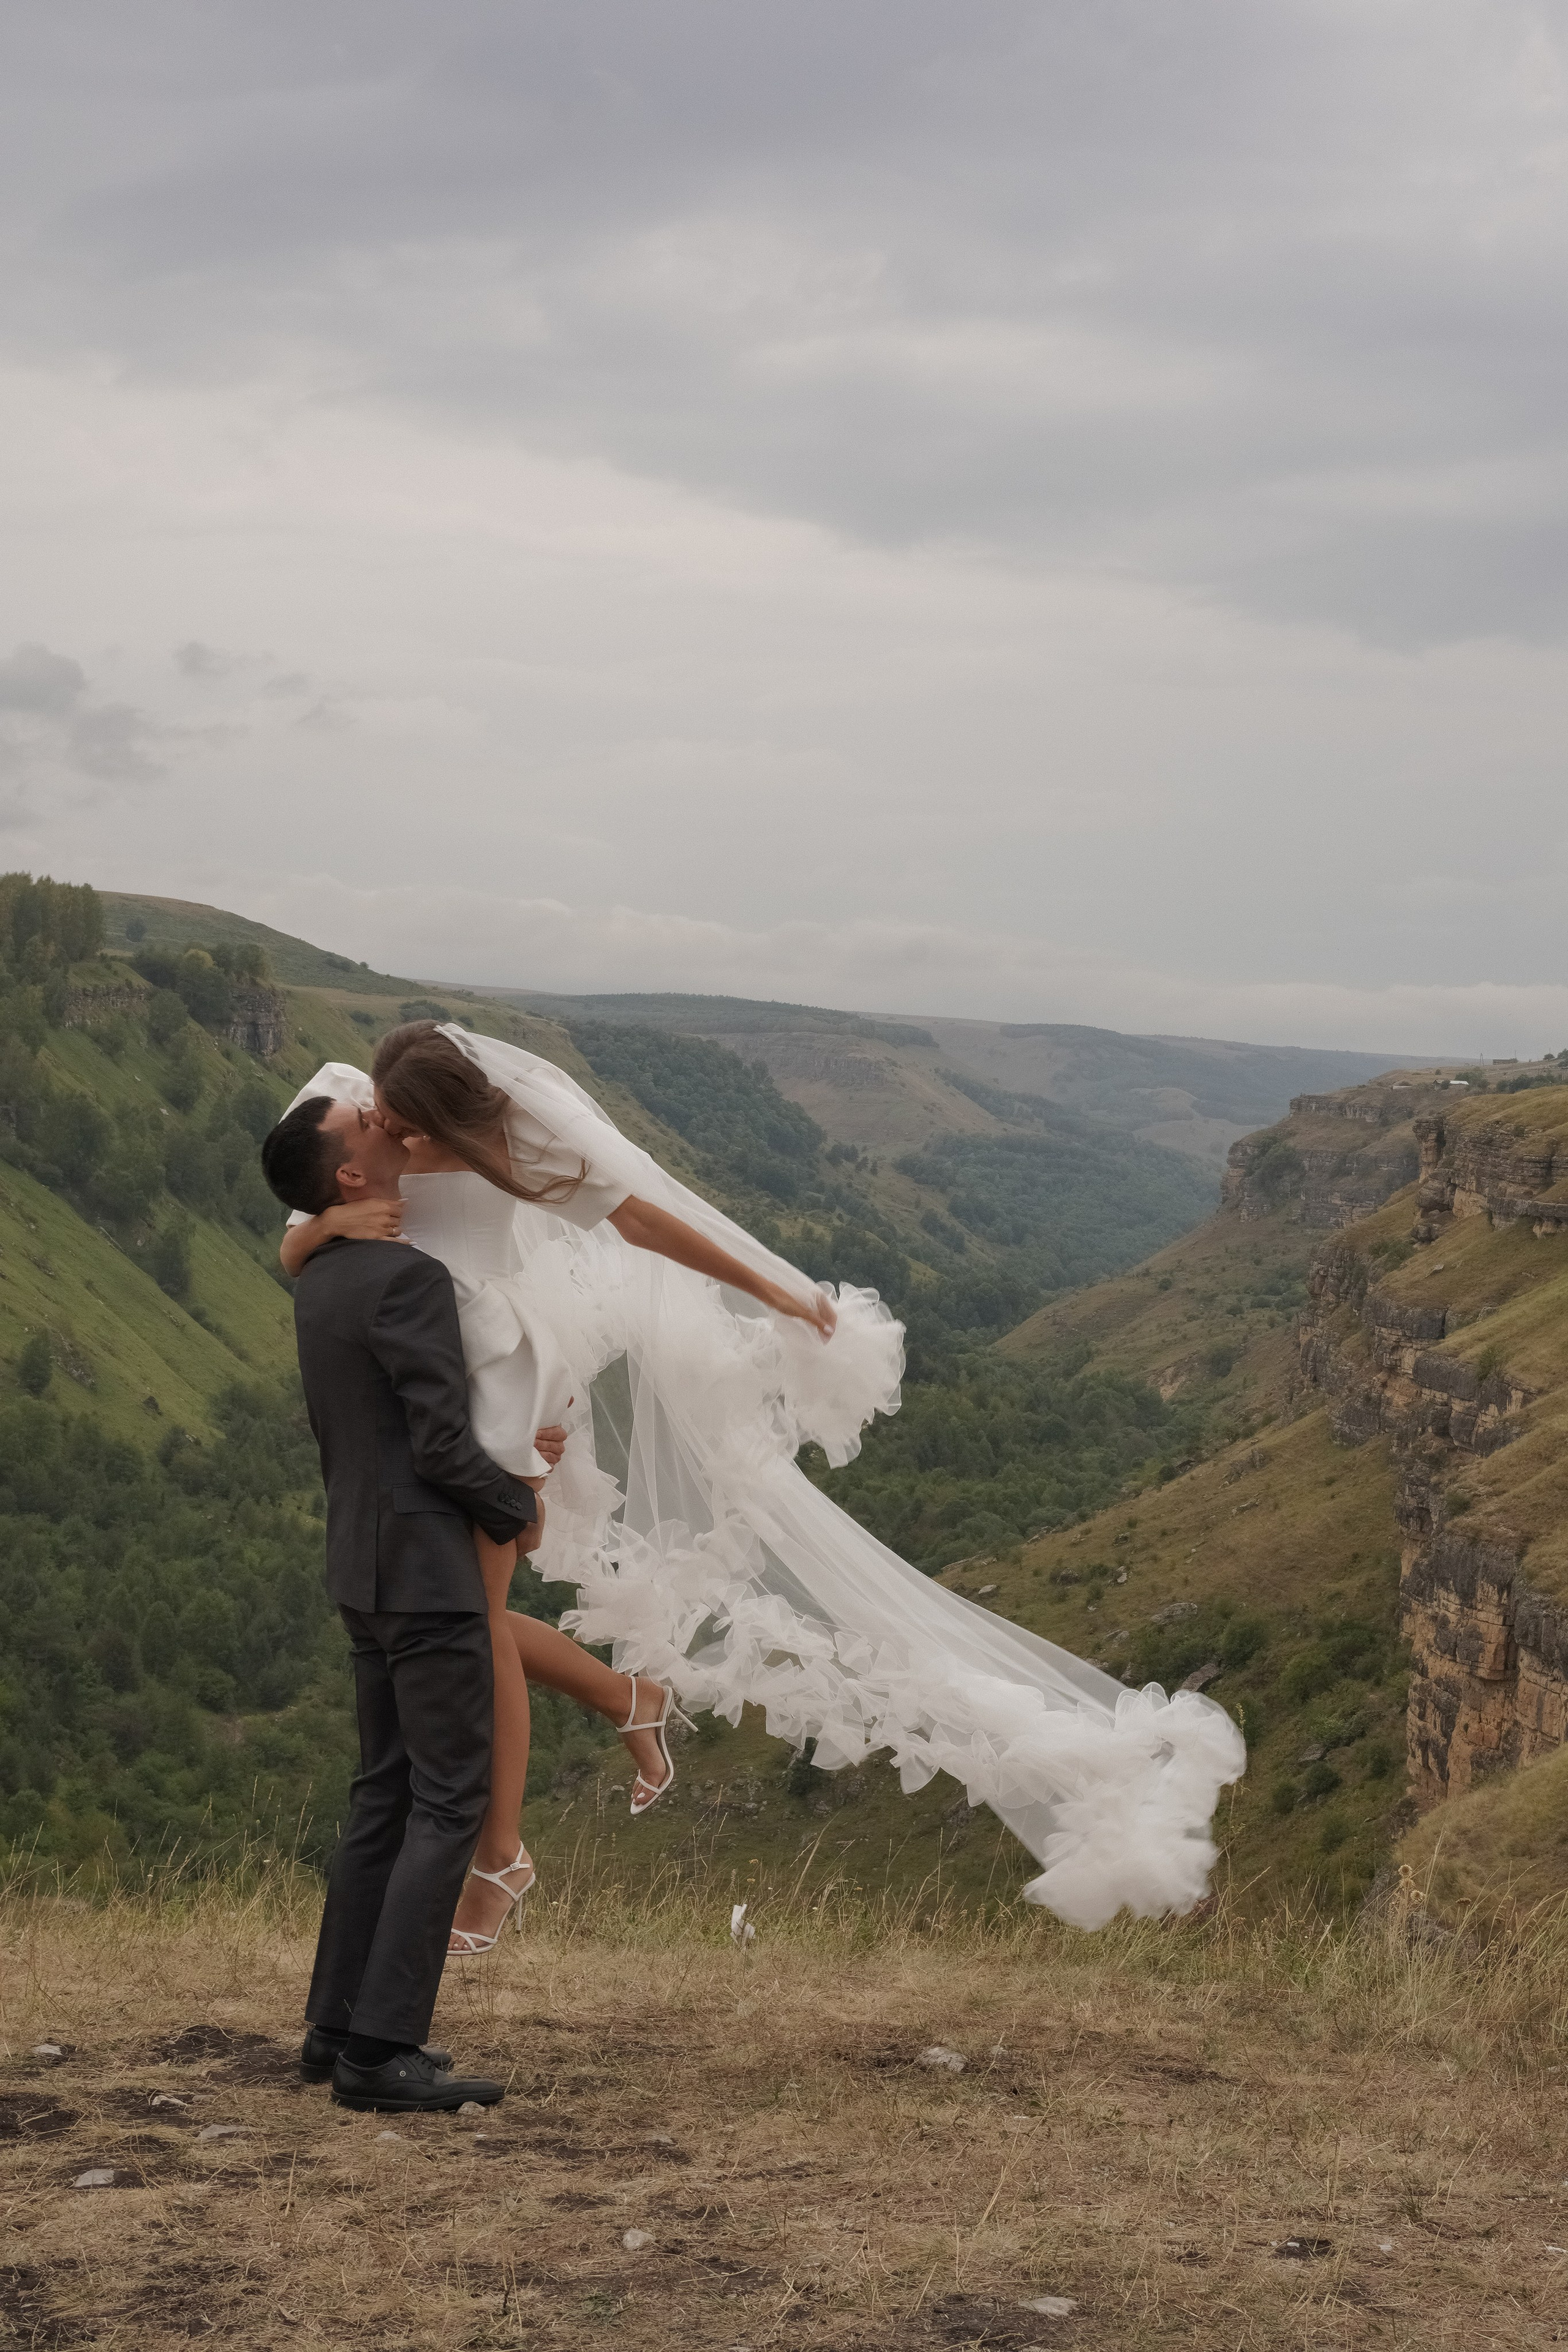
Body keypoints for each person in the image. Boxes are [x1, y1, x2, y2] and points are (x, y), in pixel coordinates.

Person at [279, 1020, 1247, 1932]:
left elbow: (646, 1221)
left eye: (408, 1125)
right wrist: (322, 1233)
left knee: (474, 1620)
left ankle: (502, 1853)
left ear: (453, 1117)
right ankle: (620, 1709)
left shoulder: (509, 1137)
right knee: (467, 1618)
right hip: (425, 1387)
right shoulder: (344, 1112)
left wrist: (777, 1292)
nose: (391, 1132)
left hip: (504, 1386)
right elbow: (299, 1231)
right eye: (383, 1121)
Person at [259, 1088, 541, 2112]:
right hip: (424, 1568)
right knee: (449, 1797)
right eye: (360, 1119)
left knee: (383, 1792)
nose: (376, 1115)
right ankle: (381, 2050)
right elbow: (440, 1443)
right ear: (347, 1174)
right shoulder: (407, 1279)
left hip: (359, 1562)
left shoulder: (322, 1278)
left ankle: (335, 2029)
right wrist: (516, 1505)